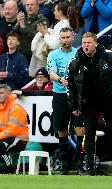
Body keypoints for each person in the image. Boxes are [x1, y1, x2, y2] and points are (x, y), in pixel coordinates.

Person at [68, 32, 112, 176]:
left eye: (89, 43)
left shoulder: (108, 55)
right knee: (89, 132)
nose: (86, 46)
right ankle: (89, 168)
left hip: (108, 100)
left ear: (96, 44)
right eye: (84, 43)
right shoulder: (76, 62)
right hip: (89, 102)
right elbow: (72, 86)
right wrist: (73, 105)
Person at [46, 27, 79, 175]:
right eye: (63, 37)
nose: (65, 40)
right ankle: (65, 165)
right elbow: (51, 73)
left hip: (76, 95)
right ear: (59, 39)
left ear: (73, 38)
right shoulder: (53, 55)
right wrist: (60, 79)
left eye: (68, 37)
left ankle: (80, 162)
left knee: (80, 129)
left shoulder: (79, 53)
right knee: (62, 129)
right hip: (59, 94)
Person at [30, 1, 78, 77]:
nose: (54, 13)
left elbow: (54, 45)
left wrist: (45, 33)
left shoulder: (61, 25)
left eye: (55, 10)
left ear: (60, 12)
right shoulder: (66, 23)